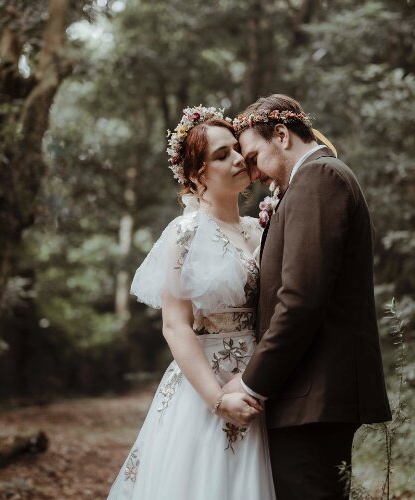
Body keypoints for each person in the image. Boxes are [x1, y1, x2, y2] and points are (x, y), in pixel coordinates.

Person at [223, 94, 392, 499]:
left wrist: (251, 385)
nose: (252, 172)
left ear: (281, 135)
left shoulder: (320, 178)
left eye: (253, 156)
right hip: (306, 395)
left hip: (313, 397)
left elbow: (300, 300)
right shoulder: (306, 182)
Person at [107, 106, 276, 500]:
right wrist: (218, 401)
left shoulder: (261, 227)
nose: (238, 159)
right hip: (206, 384)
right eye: (221, 156)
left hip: (262, 377)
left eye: (236, 149)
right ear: (198, 175)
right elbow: (175, 325)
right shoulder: (185, 234)